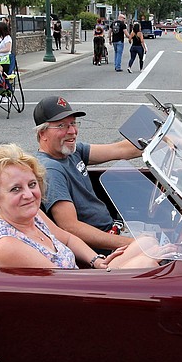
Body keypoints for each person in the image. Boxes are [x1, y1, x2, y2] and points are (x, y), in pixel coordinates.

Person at [0, 144, 162, 270]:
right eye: (15, 189)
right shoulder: (6, 245)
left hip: (81, 278)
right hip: (75, 298)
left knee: (148, 242)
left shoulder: (33, 215)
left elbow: (68, 239)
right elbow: (64, 285)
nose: (28, 195)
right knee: (147, 263)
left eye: (32, 185)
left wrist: (97, 261)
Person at [33, 95, 143, 252]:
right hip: (102, 247)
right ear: (42, 133)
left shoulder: (71, 151)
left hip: (113, 229)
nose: (72, 131)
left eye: (72, 123)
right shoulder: (51, 170)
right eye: (61, 126)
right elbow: (70, 227)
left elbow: (119, 149)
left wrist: (161, 140)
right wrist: (130, 243)